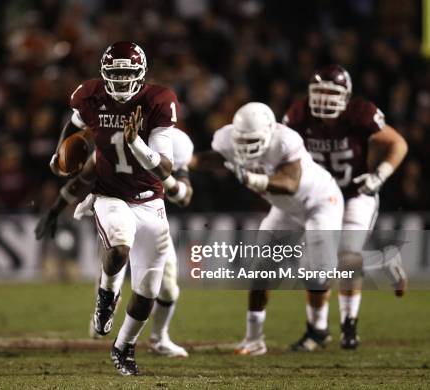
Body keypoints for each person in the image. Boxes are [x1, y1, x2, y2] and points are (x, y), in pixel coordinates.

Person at [45, 41, 180, 375]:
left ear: (140, 74)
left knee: (148, 290)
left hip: (150, 200)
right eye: (115, 74)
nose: (120, 81)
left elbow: (163, 169)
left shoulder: (158, 101)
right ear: (105, 74)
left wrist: (135, 141)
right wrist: (60, 152)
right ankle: (106, 299)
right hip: (109, 194)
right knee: (119, 247)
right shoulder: (89, 95)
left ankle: (124, 348)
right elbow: (74, 125)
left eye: (127, 74)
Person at [191, 102, 344, 355]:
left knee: (316, 271)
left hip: (320, 202)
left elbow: (290, 183)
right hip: (286, 209)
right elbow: (214, 159)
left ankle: (318, 329)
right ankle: (254, 339)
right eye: (241, 141)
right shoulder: (226, 139)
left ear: (270, 133)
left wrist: (252, 179)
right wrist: (186, 161)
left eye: (253, 141)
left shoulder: (285, 141)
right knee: (261, 268)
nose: (245, 148)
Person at [36, 127, 194, 358]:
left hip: (152, 218)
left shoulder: (174, 143)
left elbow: (184, 197)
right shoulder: (113, 142)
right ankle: (104, 309)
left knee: (168, 288)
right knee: (115, 265)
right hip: (118, 213)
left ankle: (159, 338)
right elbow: (83, 179)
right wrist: (54, 211)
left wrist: (169, 181)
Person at [283, 64, 409, 350]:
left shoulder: (359, 113)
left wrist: (380, 175)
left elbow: (398, 143)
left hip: (354, 194)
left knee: (347, 257)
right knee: (313, 267)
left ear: (347, 95)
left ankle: (349, 326)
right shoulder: (298, 114)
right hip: (319, 199)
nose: (325, 99)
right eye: (320, 92)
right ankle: (317, 330)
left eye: (332, 92)